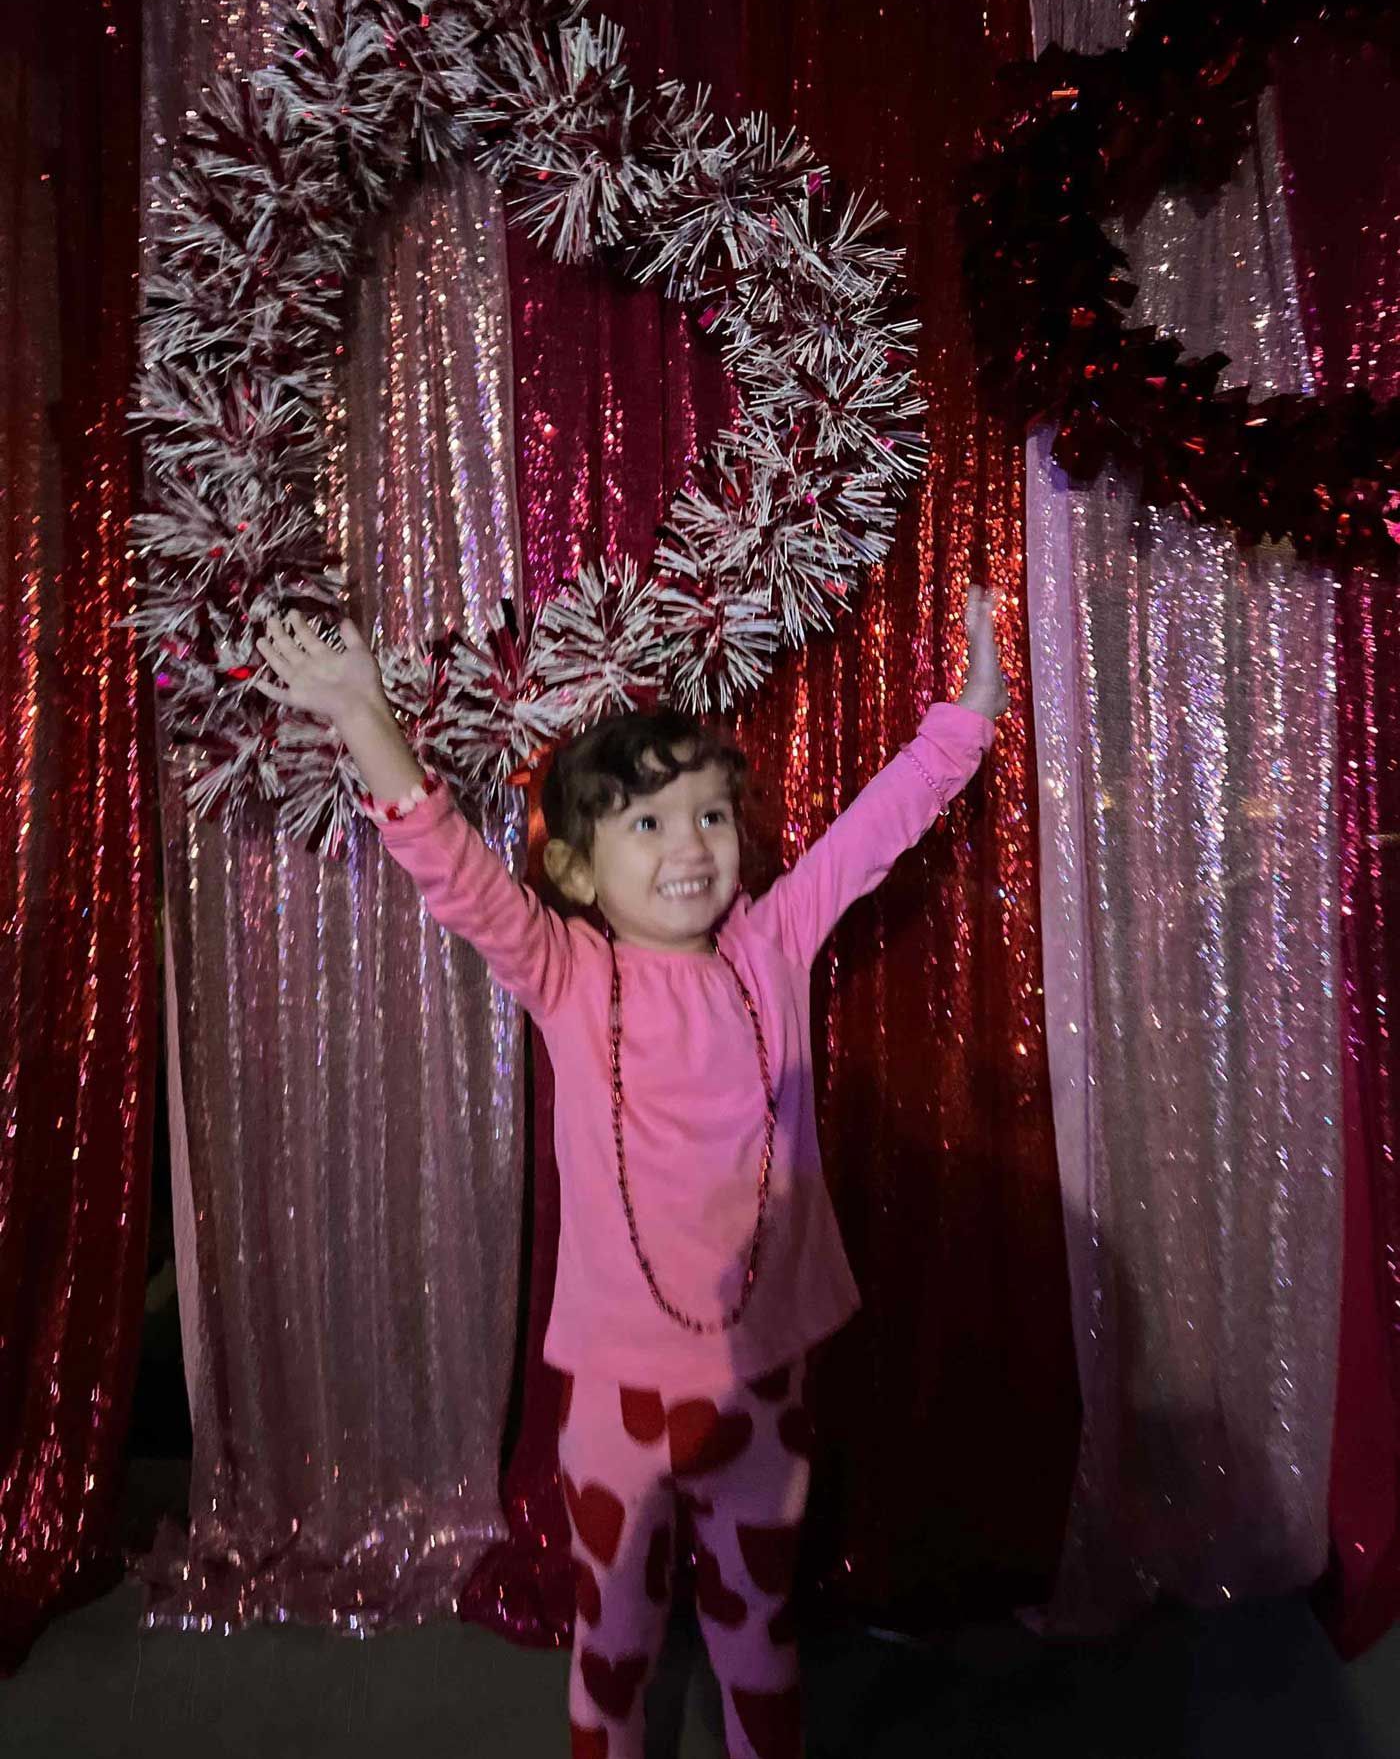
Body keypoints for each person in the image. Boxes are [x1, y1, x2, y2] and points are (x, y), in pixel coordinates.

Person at [253, 588, 1008, 1759]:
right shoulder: (567, 973)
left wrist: (965, 719)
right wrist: (363, 713)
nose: (689, 846)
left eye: (708, 815)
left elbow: (876, 825)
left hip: (764, 1373)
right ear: (572, 865)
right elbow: (453, 871)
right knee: (614, 1628)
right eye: (644, 824)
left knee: (759, 1620)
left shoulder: (774, 940)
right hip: (615, 1388)